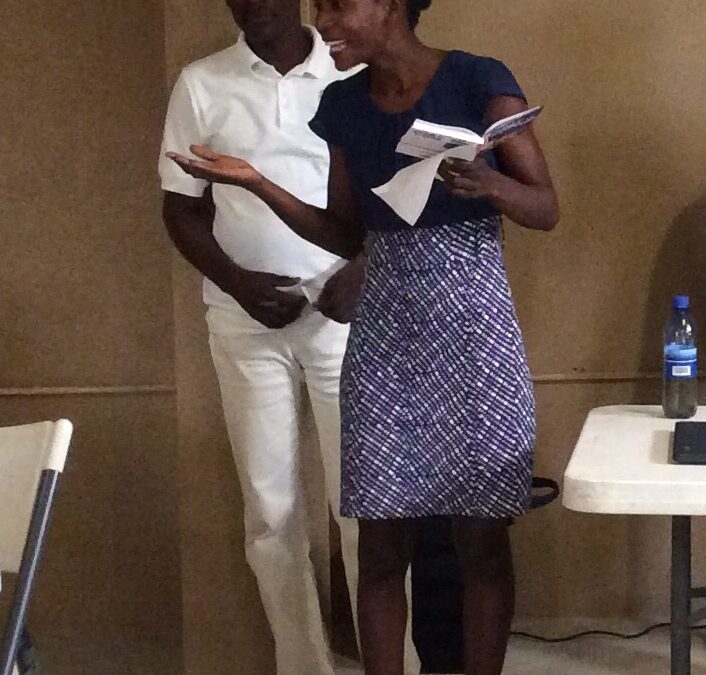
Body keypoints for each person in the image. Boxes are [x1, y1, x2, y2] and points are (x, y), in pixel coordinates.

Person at [166, 1, 559, 672]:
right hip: (382, 341)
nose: (324, 20)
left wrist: (489, 183)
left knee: (482, 542)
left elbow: (545, 207)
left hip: (475, 331)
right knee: (379, 546)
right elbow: (347, 233)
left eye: (339, 5)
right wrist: (257, 183)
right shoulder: (344, 104)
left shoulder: (477, 78)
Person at [158, 2, 417, 673]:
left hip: (346, 320)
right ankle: (303, 665)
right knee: (271, 513)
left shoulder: (351, 70)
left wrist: (366, 267)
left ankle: (396, 664)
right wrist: (238, 284)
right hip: (245, 323)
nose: (252, 5)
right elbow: (181, 209)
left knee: (367, 506)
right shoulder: (201, 83)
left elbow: (402, 192)